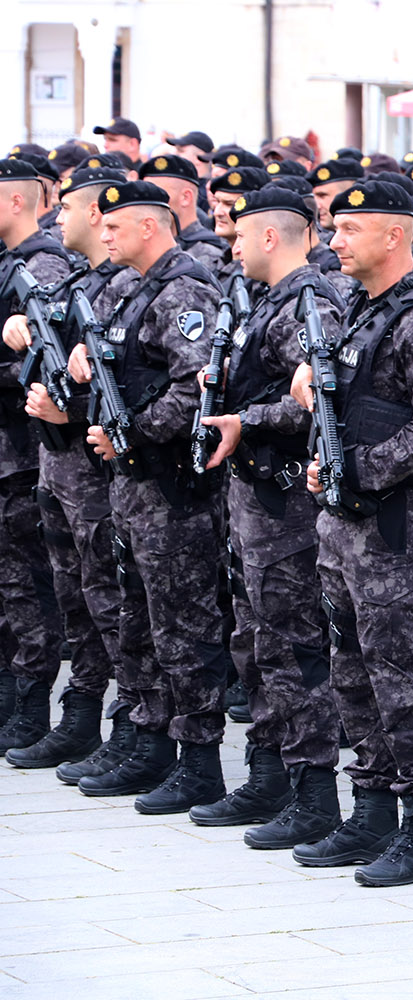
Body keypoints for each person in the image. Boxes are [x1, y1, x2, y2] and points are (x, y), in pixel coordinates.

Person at [287, 178, 413, 885]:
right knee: (352, 671)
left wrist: (356, 469)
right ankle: (371, 811)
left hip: (397, 528)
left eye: (348, 229)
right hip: (345, 524)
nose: (333, 241)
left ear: (394, 234)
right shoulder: (365, 312)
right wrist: (325, 465)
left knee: (401, 675)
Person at [182, 187, 346, 850]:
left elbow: (318, 402)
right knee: (257, 645)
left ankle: (314, 796)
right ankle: (270, 773)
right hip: (253, 501)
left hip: (288, 505)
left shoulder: (312, 302)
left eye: (241, 235)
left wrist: (244, 419)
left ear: (271, 237)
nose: (232, 244)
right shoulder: (267, 302)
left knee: (296, 650)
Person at [64, 180, 231, 815]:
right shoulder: (138, 288)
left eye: (115, 225)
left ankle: (199, 762)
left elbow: (197, 389)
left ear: (151, 227)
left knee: (185, 629)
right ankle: (149, 739)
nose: (103, 235)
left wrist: (129, 430)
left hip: (172, 488)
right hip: (135, 486)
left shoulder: (184, 291)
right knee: (143, 621)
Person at [4, 165, 129, 773]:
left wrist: (67, 405)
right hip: (56, 465)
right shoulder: (85, 280)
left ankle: (132, 731)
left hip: (92, 470)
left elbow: (140, 391)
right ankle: (81, 716)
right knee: (73, 594)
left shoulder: (133, 286)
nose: (61, 221)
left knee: (110, 601)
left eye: (71, 210)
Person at [0, 158, 72, 753]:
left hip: (21, 453)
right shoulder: (9, 265)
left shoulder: (40, 266)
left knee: (26, 584)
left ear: (18, 200)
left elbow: (47, 366)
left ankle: (30, 704)